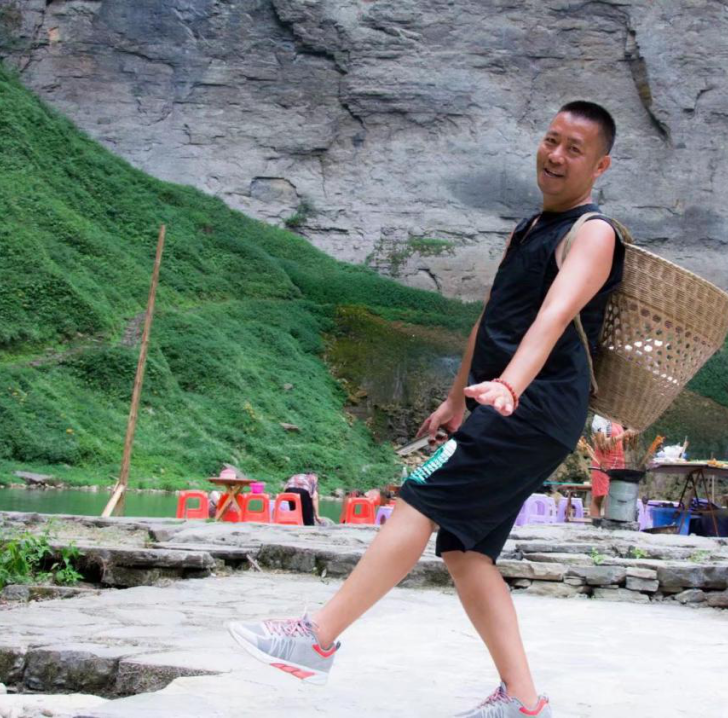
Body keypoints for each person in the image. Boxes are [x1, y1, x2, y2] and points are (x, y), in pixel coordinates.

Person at [228, 100, 624, 717]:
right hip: (504, 403)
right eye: (551, 140)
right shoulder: (529, 228)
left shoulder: (594, 233)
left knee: (419, 498)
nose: (556, 155)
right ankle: (522, 701)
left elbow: (553, 318)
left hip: (534, 405)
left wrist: (510, 385)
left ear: (599, 166)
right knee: (466, 553)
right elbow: (492, 317)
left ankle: (316, 639)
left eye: (575, 149)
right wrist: (456, 397)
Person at [588, 414, 624, 518]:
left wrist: (627, 438)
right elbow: (602, 444)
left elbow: (621, 444)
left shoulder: (617, 418)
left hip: (618, 461)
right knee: (599, 496)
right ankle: (596, 523)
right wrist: (624, 435)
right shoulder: (600, 418)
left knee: (614, 495)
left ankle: (611, 522)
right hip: (603, 461)